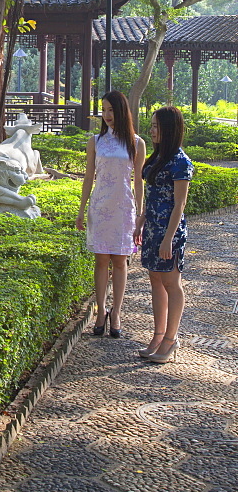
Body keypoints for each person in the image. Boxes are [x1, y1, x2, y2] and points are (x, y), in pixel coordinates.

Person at [76, 91, 146, 338]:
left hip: (123, 209)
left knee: (120, 261)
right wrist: (81, 210)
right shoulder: (95, 141)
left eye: (111, 110)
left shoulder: (136, 143)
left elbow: (138, 181)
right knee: (101, 261)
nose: (106, 115)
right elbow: (88, 178)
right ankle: (101, 310)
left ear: (121, 111)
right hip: (100, 206)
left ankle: (117, 311)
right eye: (103, 110)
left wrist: (140, 214)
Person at [133, 105, 193, 363]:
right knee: (155, 280)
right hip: (152, 229)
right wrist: (141, 220)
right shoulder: (158, 158)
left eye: (157, 126)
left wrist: (169, 238)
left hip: (170, 231)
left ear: (169, 129)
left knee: (171, 283)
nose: (152, 130)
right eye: (152, 126)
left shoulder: (181, 163)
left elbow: (179, 204)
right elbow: (153, 195)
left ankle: (171, 338)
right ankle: (158, 335)